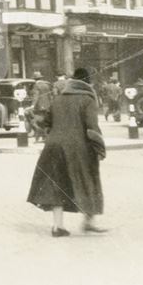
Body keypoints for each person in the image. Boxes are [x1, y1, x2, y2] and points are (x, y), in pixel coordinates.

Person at [27, 68, 106, 237]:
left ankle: (57, 227)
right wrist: (99, 148)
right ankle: (88, 222)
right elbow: (92, 127)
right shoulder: (88, 99)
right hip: (78, 148)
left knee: (56, 185)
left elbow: (46, 121)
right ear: (88, 82)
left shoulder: (59, 98)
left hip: (53, 146)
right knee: (88, 180)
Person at [31, 72, 53, 143]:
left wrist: (33, 105)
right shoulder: (47, 84)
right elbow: (50, 95)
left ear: (35, 79)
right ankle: (45, 137)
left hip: (40, 106)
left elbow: (36, 96)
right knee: (45, 121)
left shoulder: (36, 85)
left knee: (36, 122)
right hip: (48, 105)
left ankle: (39, 136)